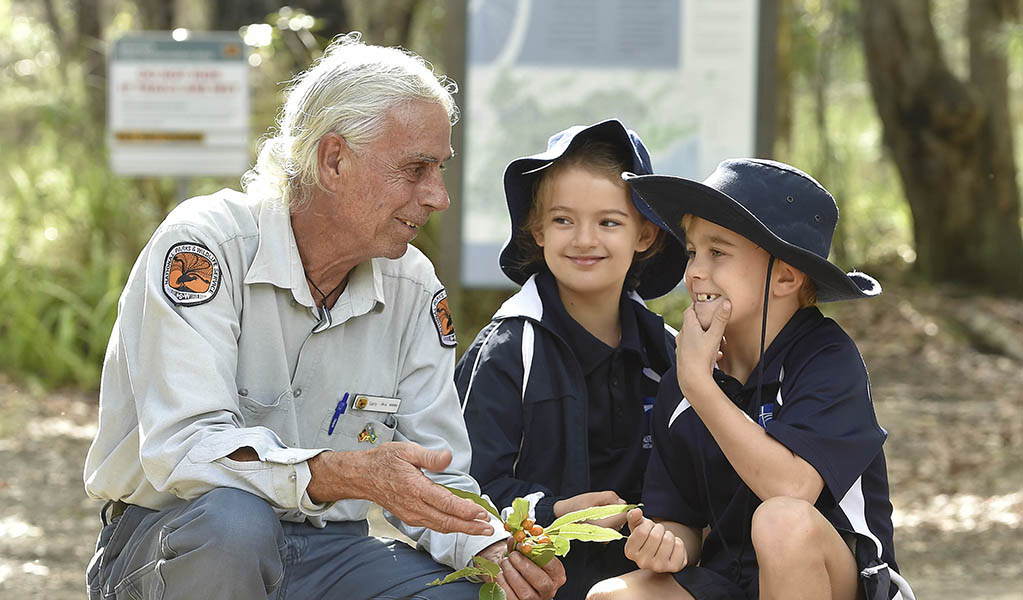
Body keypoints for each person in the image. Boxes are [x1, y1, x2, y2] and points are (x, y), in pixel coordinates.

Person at [83, 33, 566, 600]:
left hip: (327, 549)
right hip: (180, 539)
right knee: (236, 525)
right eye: (415, 169)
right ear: (333, 159)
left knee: (460, 594)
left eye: (440, 169)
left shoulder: (412, 286)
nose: (438, 196)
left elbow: (435, 472)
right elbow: (183, 448)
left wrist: (489, 545)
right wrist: (340, 473)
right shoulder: (206, 246)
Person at [586, 159, 916, 600]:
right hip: (730, 581)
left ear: (785, 276)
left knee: (781, 521)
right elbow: (679, 518)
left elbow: (793, 488)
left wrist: (700, 388)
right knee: (613, 597)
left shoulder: (826, 357)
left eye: (717, 252)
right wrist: (664, 544)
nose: (695, 272)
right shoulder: (686, 379)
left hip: (844, 582)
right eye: (691, 252)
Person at [456, 120, 687, 599]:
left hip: (640, 583)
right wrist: (555, 512)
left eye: (609, 222)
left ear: (645, 235)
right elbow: (462, 488)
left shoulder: (670, 352)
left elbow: (694, 483)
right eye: (563, 220)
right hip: (529, 584)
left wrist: (672, 535)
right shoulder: (507, 350)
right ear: (537, 229)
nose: (584, 239)